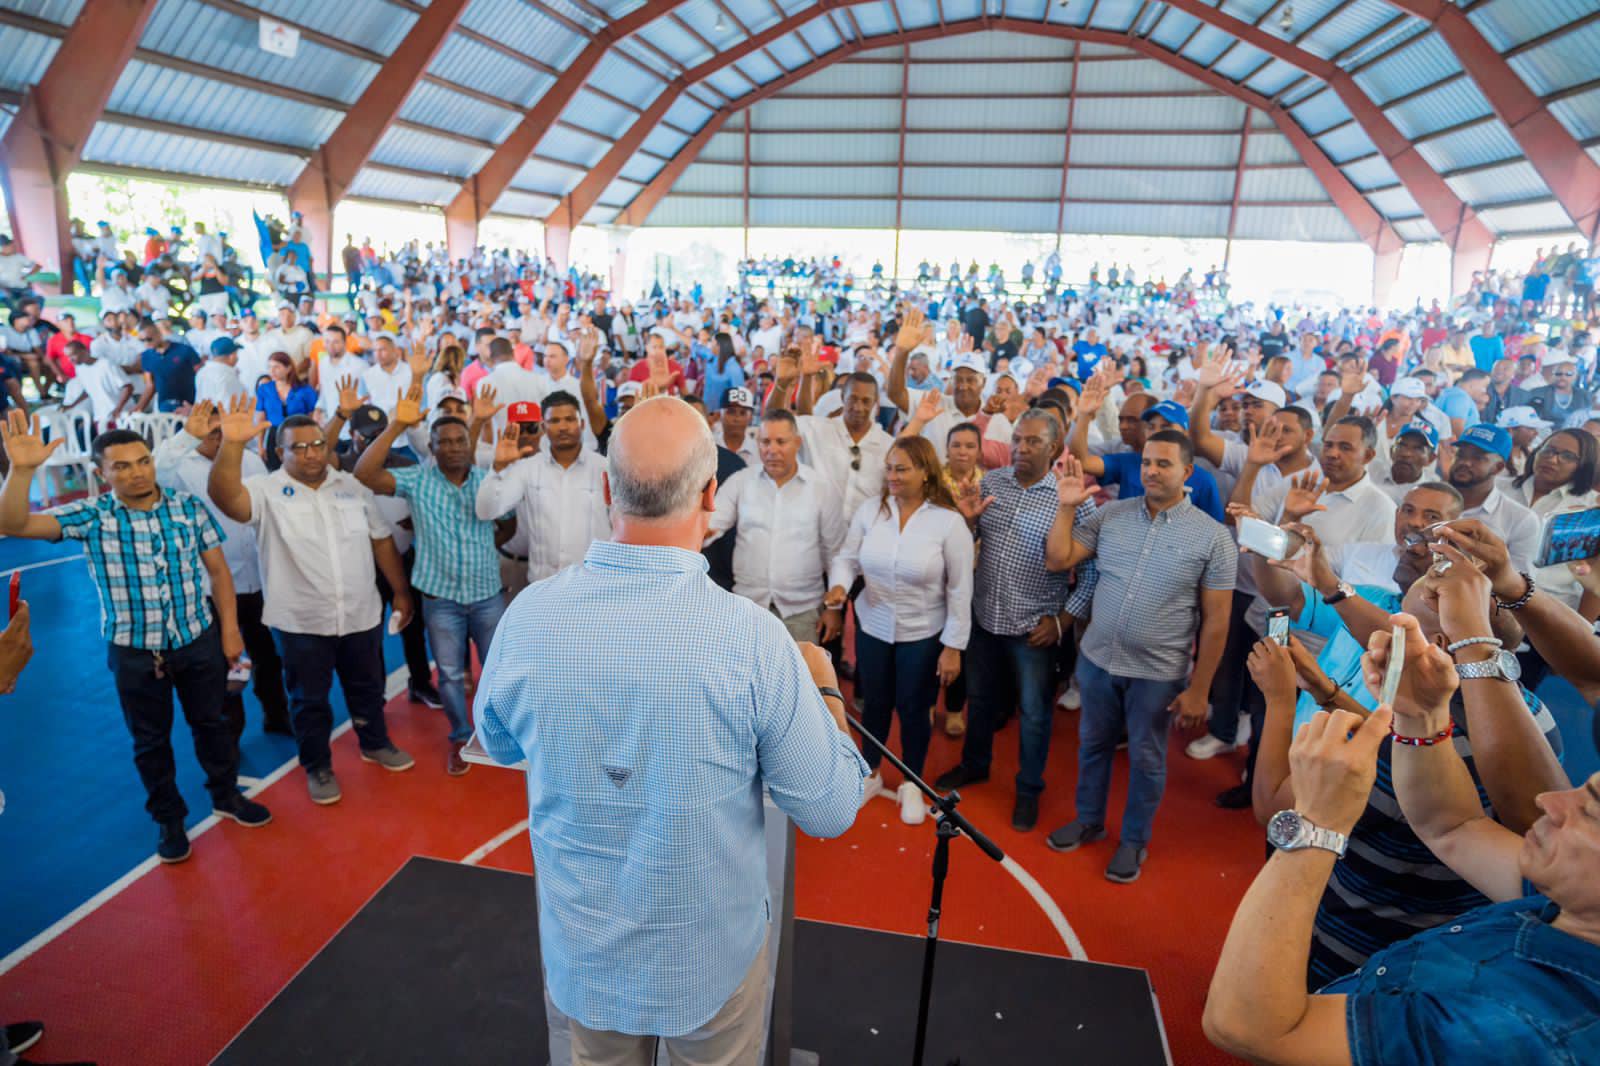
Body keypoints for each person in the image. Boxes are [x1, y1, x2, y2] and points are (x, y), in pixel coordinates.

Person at [473, 395, 866, 1064]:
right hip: (706, 956)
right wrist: (823, 685)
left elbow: (501, 742)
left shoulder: (530, 617)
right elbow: (829, 809)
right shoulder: (753, 641)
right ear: (712, 495)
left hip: (584, 945)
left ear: (606, 488)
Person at [1205, 596, 1595, 1065]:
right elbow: (1454, 824)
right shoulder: (1567, 900)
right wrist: (1420, 717)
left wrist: (1316, 826)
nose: (1550, 802)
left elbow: (1244, 1026)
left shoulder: (1523, 1027)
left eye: (1589, 812)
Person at [0, 412, 270, 864]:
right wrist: (22, 471)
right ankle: (168, 819)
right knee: (150, 741)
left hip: (197, 639)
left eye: (142, 461)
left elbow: (219, 571)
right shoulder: (92, 516)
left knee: (213, 724)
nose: (136, 472)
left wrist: (229, 630)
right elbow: (15, 525)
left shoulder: (187, 507)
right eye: (121, 466)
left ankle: (226, 795)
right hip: (134, 652)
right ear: (100, 473)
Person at [1043, 435, 1237, 882]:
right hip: (1096, 661)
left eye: (1163, 464)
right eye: (1147, 463)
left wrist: (1199, 690)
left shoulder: (1213, 539)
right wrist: (1067, 506)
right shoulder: (1112, 515)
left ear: (1188, 474)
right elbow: (1058, 559)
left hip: (1157, 673)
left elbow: (1217, 622)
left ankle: (1133, 842)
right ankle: (1089, 820)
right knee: (1092, 745)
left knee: (1147, 760)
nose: (1151, 471)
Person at [207, 398, 417, 806]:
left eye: (317, 444)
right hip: (301, 622)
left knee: (367, 688)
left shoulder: (352, 487)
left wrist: (401, 592)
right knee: (309, 701)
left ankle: (374, 742)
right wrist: (230, 446)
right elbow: (225, 498)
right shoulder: (265, 493)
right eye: (297, 447)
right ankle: (318, 765)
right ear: (278, 453)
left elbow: (381, 541)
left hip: (360, 613)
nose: (310, 453)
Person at [933, 409, 1082, 832]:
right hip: (984, 618)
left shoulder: (1066, 496)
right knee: (980, 700)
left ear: (1053, 447)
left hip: (1032, 628)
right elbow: (967, 546)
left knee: (1034, 714)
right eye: (1017, 439)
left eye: (1032, 441)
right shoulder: (990, 484)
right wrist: (966, 521)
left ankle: (1028, 790)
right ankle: (976, 765)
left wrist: (1062, 622)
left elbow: (1088, 574)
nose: (1020, 447)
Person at [354, 384, 503, 774]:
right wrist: (397, 426)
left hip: (488, 594)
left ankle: (499, 734)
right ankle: (460, 736)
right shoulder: (416, 481)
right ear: (431, 447)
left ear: (469, 444)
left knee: (497, 670)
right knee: (451, 675)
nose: (453, 447)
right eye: (444, 441)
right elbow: (364, 473)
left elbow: (507, 524)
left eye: (460, 440)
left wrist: (481, 549)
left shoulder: (489, 480)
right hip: (441, 599)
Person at [824, 436, 974, 824]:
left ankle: (912, 782)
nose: (892, 475)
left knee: (913, 708)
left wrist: (953, 646)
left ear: (926, 473)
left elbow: (960, 588)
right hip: (872, 625)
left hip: (923, 633)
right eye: (889, 468)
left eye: (902, 468)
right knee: (873, 703)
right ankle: (870, 773)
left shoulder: (948, 521)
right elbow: (846, 557)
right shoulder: (871, 511)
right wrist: (839, 588)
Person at [153, 401, 291, 738]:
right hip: (209, 586)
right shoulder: (179, 468)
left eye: (222, 431)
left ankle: (277, 715)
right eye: (211, 433)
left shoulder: (251, 461)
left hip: (258, 579)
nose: (218, 438)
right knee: (220, 667)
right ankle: (229, 735)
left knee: (268, 657)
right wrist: (186, 437)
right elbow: (156, 470)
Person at [706, 409, 847, 645]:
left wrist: (834, 608)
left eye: (781, 442)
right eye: (765, 442)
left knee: (801, 680)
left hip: (802, 612)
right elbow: (712, 524)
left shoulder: (821, 488)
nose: (772, 450)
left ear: (797, 443)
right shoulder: (741, 482)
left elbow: (836, 553)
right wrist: (700, 532)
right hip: (748, 608)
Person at [476, 393, 610, 583]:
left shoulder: (605, 469)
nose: (563, 427)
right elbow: (486, 511)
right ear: (544, 427)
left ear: (581, 424)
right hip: (543, 588)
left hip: (592, 585)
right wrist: (498, 468)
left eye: (569, 419)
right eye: (554, 420)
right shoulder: (528, 468)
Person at [1446, 424, 1542, 570]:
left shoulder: (1520, 519)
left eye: (1478, 458)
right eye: (1461, 455)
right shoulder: (1425, 497)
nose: (1465, 462)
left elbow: (1521, 585)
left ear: (1498, 467)